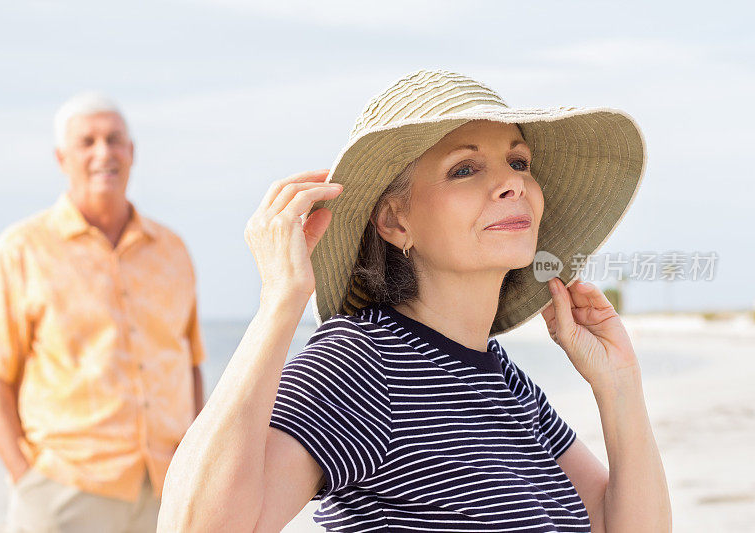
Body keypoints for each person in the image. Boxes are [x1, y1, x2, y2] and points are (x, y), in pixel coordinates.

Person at [158, 69, 671, 532]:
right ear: (395, 222)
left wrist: (619, 384)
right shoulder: (362, 362)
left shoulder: (507, 383)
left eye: (518, 160)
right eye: (465, 169)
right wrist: (279, 303)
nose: (512, 181)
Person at [0, 92, 207, 532]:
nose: (103, 152)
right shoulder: (22, 249)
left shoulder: (173, 250)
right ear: (61, 159)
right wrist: (25, 477)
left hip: (168, 489)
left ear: (132, 152)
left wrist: (196, 458)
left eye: (114, 140)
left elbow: (189, 362)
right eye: (86, 142)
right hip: (64, 491)